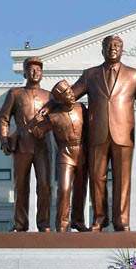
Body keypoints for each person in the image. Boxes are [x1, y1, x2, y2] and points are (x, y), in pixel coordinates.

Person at [70, 35, 136, 231]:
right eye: (109, 46)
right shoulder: (90, 75)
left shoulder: (134, 75)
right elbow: (71, 96)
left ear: (122, 49)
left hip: (123, 133)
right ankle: (100, 218)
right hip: (97, 133)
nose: (112, 48)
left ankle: (121, 220)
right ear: (102, 49)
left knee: (122, 178)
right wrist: (51, 102)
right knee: (97, 178)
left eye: (117, 45)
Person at [0, 56, 53, 232]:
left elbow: (57, 120)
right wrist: (4, 139)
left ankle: (44, 223)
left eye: (38, 69)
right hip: (22, 144)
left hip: (43, 145)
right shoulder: (15, 94)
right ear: (25, 73)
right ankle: (20, 224)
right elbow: (3, 118)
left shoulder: (49, 97)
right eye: (31, 69)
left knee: (45, 185)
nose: (35, 72)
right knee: (21, 185)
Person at [29, 80, 89, 233]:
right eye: (66, 93)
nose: (71, 94)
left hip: (82, 152)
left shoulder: (81, 109)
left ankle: (78, 221)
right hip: (65, 154)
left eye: (70, 91)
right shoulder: (54, 116)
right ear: (60, 99)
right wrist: (35, 121)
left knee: (81, 189)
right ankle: (62, 224)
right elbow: (38, 132)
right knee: (64, 188)